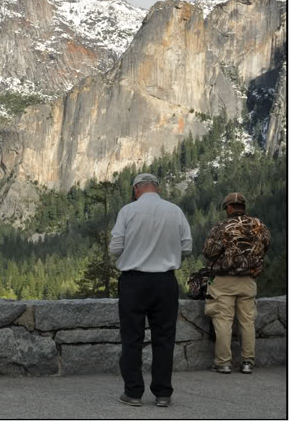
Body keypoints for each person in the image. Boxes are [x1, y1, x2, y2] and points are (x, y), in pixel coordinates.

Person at [109, 173, 192, 408]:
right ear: (157, 188)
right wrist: (167, 253)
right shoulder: (175, 211)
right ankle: (163, 394)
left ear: (136, 189)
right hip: (165, 282)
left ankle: (133, 392)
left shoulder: (127, 211)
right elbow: (187, 246)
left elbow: (116, 248)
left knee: (132, 338)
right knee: (164, 338)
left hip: (134, 282)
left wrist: (135, 250)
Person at [202, 192, 271, 375]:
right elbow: (266, 246)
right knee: (247, 322)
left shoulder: (222, 227)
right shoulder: (259, 225)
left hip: (224, 280)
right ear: (244, 207)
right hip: (249, 280)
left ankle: (223, 363)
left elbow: (209, 252)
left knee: (223, 320)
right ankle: (248, 362)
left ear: (229, 208)